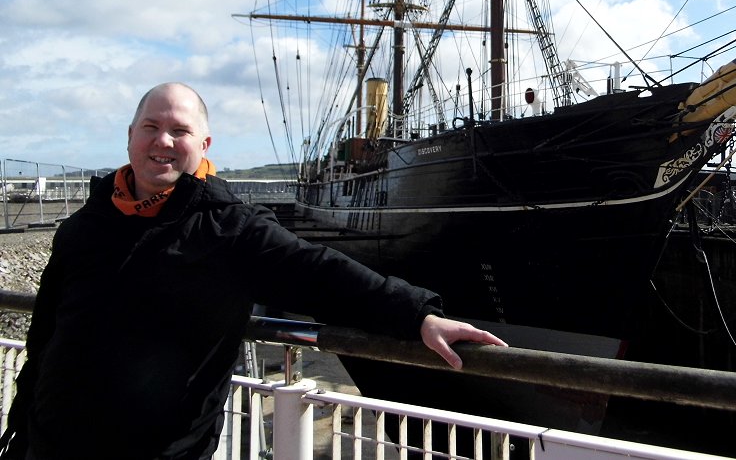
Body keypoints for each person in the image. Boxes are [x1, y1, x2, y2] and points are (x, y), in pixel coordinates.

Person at [2, 82, 506, 460]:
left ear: (204, 145)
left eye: (180, 130)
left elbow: (316, 270)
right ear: (131, 137)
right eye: (152, 128)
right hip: (51, 444)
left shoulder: (229, 226)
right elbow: (45, 338)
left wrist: (418, 315)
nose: (163, 140)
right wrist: (20, 426)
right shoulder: (86, 226)